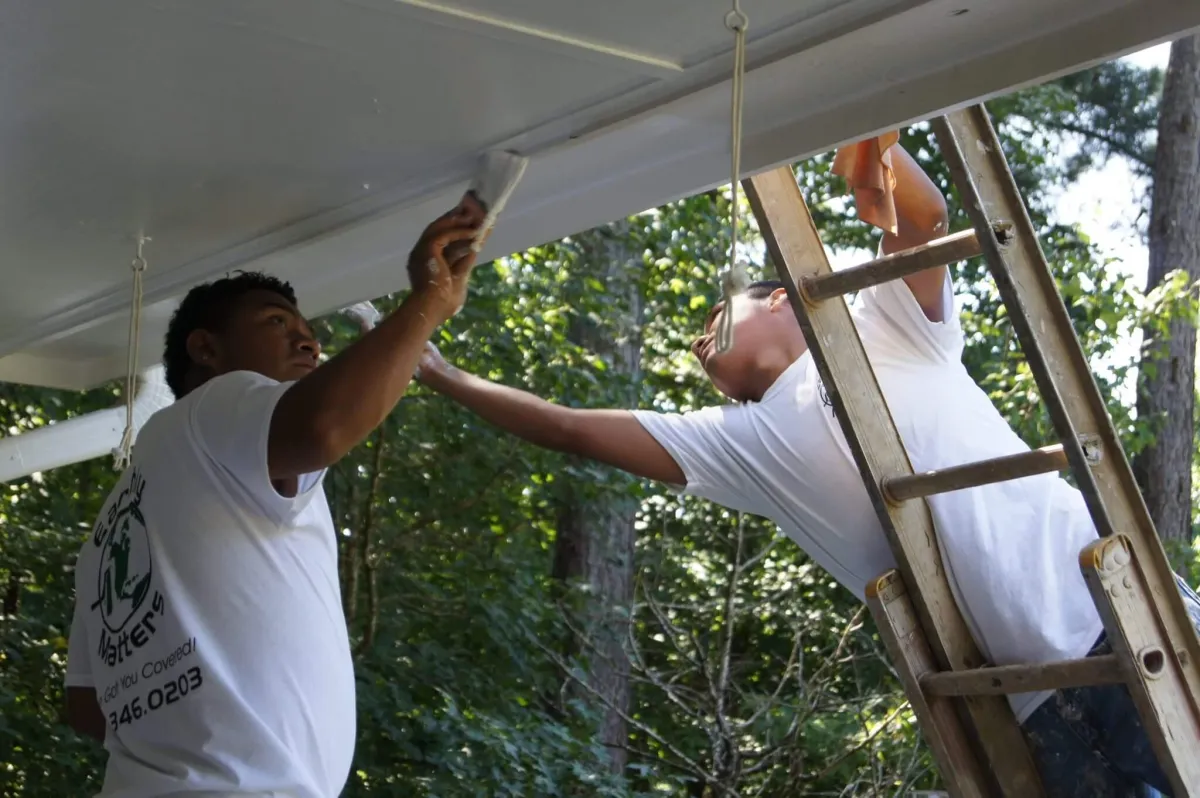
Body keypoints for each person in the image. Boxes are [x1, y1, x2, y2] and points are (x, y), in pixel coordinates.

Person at [413, 137, 1200, 797]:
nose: (700, 338)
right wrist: (437, 369)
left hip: (1118, 605)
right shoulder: (740, 442)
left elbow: (924, 218)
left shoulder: (874, 316)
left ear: (785, 301)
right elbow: (570, 429)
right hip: (1031, 703)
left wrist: (876, 150)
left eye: (719, 313)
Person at [63, 196, 488, 797]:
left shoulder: (107, 534)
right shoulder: (216, 405)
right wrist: (429, 303)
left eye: (309, 333)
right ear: (207, 350)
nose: (308, 343)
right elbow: (322, 428)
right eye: (276, 323)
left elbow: (87, 706)